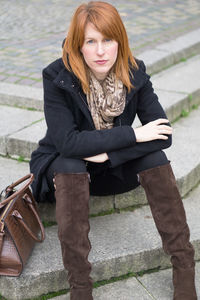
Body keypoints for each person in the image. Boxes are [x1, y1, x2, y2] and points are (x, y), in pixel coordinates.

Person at [29, 1, 197, 299]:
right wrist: (132, 134)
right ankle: (80, 287)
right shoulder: (57, 76)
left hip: (109, 170)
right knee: (70, 162)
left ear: (120, 40)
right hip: (67, 174)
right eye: (90, 42)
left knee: (155, 156)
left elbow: (162, 135)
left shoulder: (134, 71)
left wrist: (109, 152)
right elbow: (68, 143)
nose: (101, 51)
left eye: (107, 40)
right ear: (78, 45)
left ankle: (183, 267)